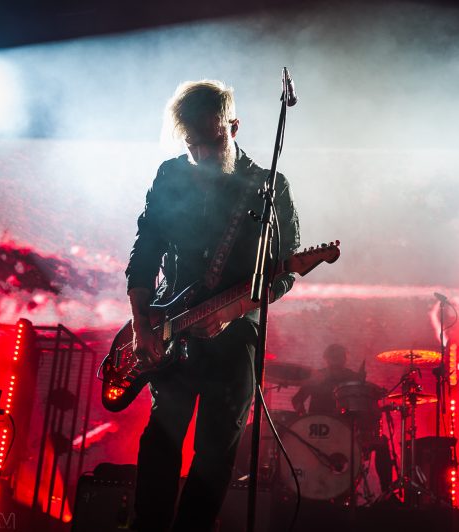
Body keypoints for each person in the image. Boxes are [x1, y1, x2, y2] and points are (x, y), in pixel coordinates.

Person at [125, 80, 300, 532]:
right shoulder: (171, 175)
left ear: (233, 127)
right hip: (171, 326)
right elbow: (146, 248)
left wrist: (230, 312)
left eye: (212, 141)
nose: (201, 154)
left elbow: (285, 269)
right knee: (162, 439)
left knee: (215, 450)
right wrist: (140, 322)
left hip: (236, 336)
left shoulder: (268, 186)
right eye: (192, 144)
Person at [291, 344, 394, 494]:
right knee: (381, 443)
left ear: (344, 359)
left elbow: (296, 400)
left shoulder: (353, 378)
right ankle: (386, 493)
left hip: (346, 432)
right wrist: (305, 420)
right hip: (321, 432)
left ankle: (387, 493)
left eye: (339, 357)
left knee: (381, 442)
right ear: (326, 358)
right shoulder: (317, 377)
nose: (336, 360)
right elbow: (297, 400)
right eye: (334, 357)